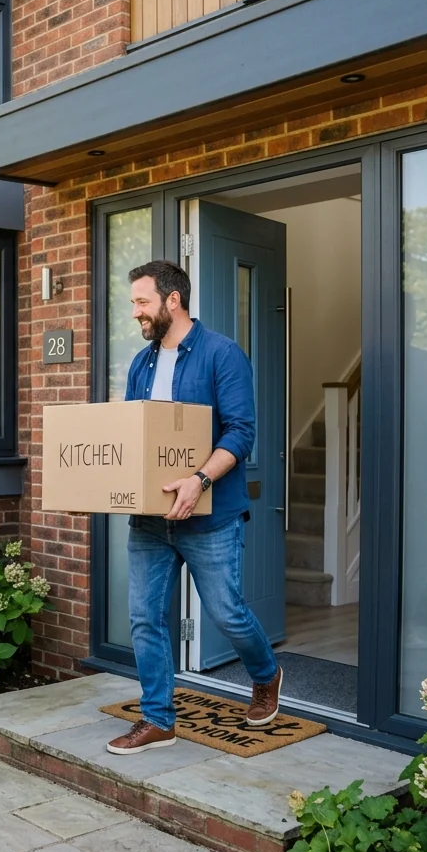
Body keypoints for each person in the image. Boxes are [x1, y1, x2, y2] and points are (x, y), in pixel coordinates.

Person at [106, 260, 282, 756]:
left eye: (142, 302)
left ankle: (266, 675)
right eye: (134, 303)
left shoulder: (222, 354)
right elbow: (134, 439)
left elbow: (241, 432)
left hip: (209, 517)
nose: (136, 312)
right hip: (149, 521)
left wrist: (199, 479)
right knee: (145, 617)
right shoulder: (141, 364)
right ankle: (157, 719)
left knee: (227, 613)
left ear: (173, 300)